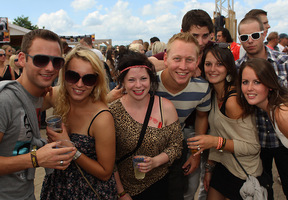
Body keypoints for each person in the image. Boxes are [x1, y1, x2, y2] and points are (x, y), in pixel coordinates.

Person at [0, 29, 76, 200]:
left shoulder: (39, 96)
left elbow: (81, 97)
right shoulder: (5, 100)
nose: (50, 68)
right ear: (22, 59)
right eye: (41, 60)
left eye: (56, 62)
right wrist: (35, 159)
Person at [236, 16, 288, 200]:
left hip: (286, 143)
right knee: (263, 191)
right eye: (244, 37)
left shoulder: (286, 62)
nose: (249, 41)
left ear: (264, 34)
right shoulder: (237, 68)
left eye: (255, 35)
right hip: (258, 142)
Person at [187, 42, 263, 199]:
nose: (212, 69)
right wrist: (209, 169)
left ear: (228, 67)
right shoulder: (215, 94)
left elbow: (252, 147)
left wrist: (215, 142)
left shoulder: (233, 102)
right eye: (208, 64)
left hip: (243, 173)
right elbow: (218, 132)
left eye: (219, 64)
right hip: (223, 167)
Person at [40, 45, 117, 199]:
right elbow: (22, 104)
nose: (79, 84)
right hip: (57, 186)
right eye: (72, 76)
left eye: (88, 79)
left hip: (88, 192)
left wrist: (71, 149)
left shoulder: (102, 118)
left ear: (96, 81)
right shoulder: (58, 96)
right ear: (63, 75)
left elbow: (105, 173)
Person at [109, 50, 183, 199]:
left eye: (143, 78)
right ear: (122, 82)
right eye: (131, 80)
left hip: (160, 185)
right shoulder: (112, 112)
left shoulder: (165, 107)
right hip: (124, 190)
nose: (138, 85)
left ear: (151, 80)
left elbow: (177, 146)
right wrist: (122, 193)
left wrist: (156, 161)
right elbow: (109, 160)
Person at [156, 32, 211, 200]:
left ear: (198, 61)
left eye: (189, 60)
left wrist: (196, 154)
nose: (183, 66)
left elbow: (201, 118)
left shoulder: (202, 89)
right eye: (177, 59)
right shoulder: (148, 84)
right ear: (165, 59)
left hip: (176, 149)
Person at [237, 58, 288, 186]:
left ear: (269, 85)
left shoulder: (283, 113)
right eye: (245, 82)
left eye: (257, 82)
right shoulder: (273, 109)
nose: (249, 88)